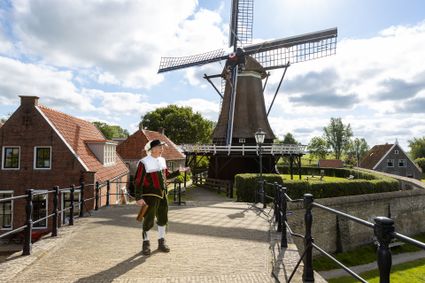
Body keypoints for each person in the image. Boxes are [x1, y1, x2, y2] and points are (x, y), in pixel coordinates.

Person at [134, 139, 189, 256]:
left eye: (162, 147)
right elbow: (138, 181)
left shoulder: (162, 160)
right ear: (153, 149)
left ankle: (161, 241)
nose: (162, 149)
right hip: (150, 195)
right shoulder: (144, 162)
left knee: (163, 218)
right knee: (148, 219)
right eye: (160, 147)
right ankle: (146, 243)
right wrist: (138, 197)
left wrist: (180, 171)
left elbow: (167, 176)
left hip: (163, 194)